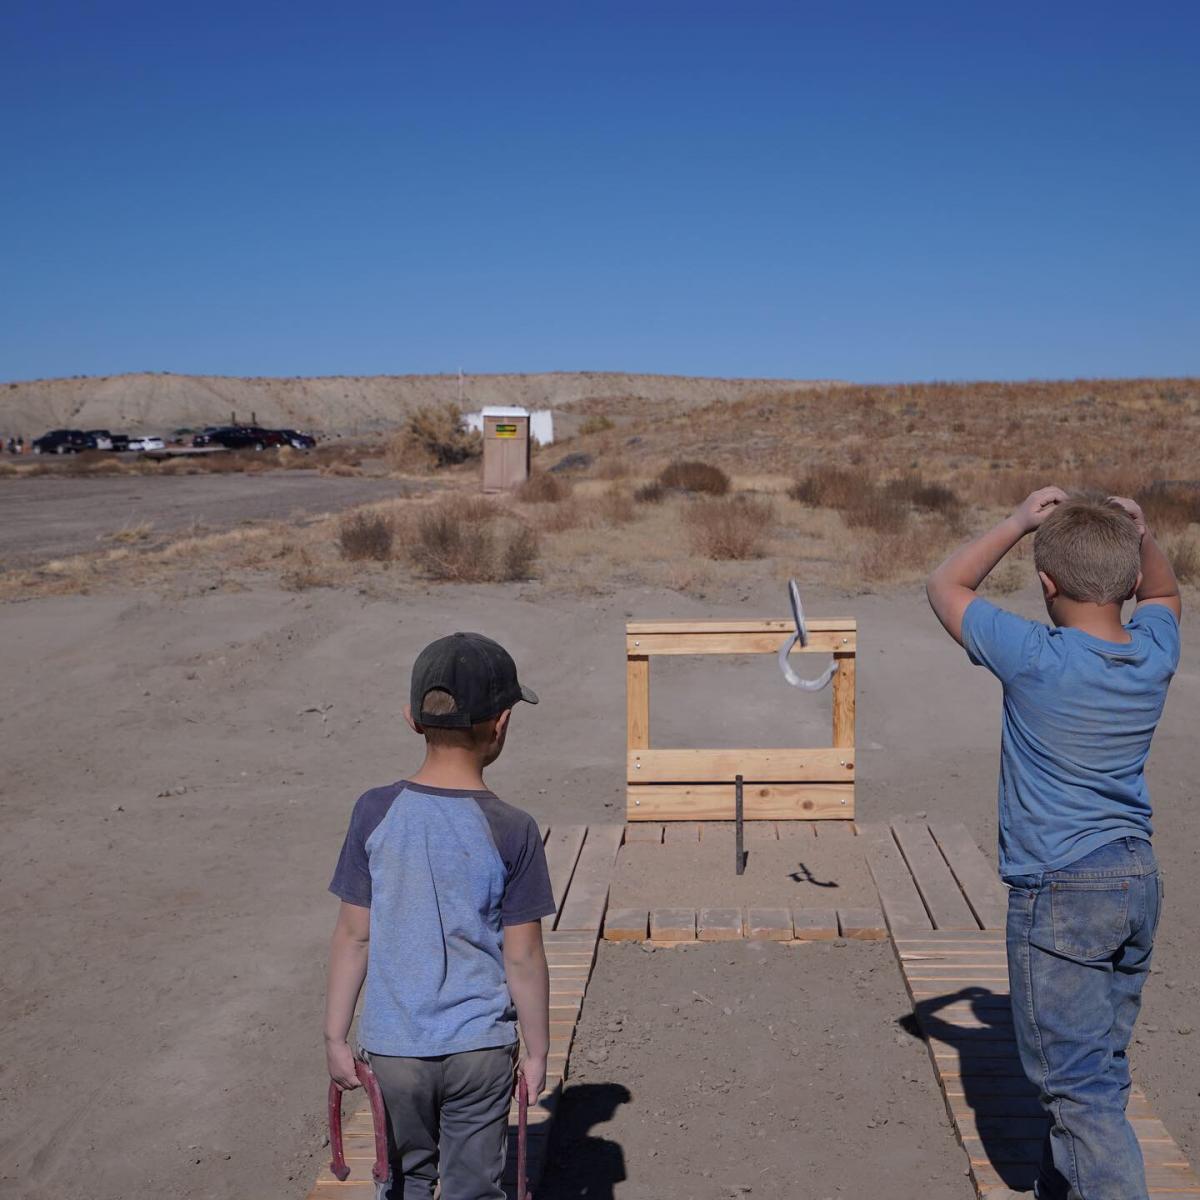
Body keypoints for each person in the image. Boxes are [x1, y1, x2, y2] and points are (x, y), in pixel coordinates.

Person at [927, 487, 1181, 1199]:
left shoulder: (1033, 656)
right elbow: (1164, 591)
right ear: (1128, 582)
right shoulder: (1154, 653)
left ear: (1045, 584)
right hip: (1135, 879)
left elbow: (945, 584)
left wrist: (1016, 520)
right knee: (1099, 1068)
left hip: (1061, 890)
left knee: (1077, 1095)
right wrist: (1144, 534)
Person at [325, 632, 554, 1200]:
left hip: (395, 1049)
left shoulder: (374, 811)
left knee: (403, 1181)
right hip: (480, 1048)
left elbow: (354, 936)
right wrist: (538, 1048)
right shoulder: (513, 827)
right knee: (473, 1187)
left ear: (411, 718)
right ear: (501, 723)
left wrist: (335, 1035)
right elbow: (522, 954)